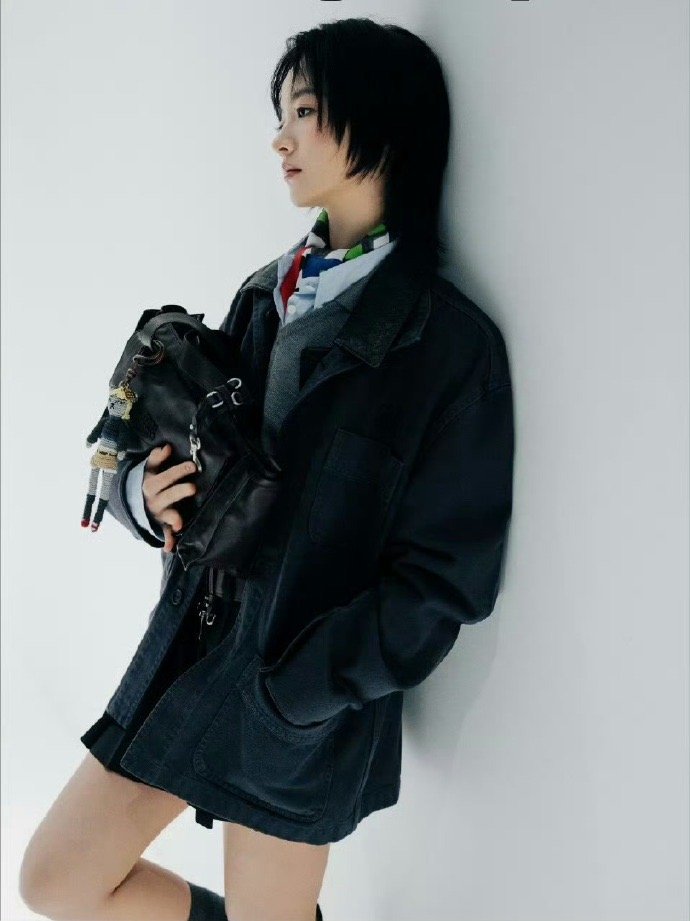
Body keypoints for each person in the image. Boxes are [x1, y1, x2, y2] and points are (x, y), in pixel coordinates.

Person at [19, 16, 514, 921]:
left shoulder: (446, 347)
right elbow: (197, 446)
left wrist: (304, 686)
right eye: (281, 116)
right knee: (55, 878)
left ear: (382, 122)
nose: (281, 140)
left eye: (306, 112)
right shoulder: (264, 294)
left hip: (298, 702)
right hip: (190, 654)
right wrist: (145, 495)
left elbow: (445, 582)